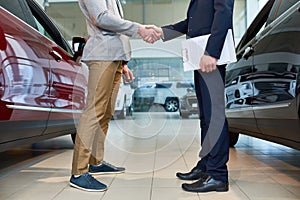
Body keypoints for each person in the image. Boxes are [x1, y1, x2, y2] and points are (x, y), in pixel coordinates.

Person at [69, 0, 161, 192]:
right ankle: (78, 172)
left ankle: (96, 161)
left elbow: (115, 26)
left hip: (115, 57)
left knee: (105, 112)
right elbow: (102, 18)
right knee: (94, 112)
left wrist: (123, 61)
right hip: (102, 55)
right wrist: (139, 28)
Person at [153, 0, 234, 193]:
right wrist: (163, 32)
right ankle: (206, 166)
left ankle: (218, 174)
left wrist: (212, 52)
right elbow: (193, 21)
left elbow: (224, 13)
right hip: (199, 54)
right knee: (206, 116)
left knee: (214, 116)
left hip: (209, 55)